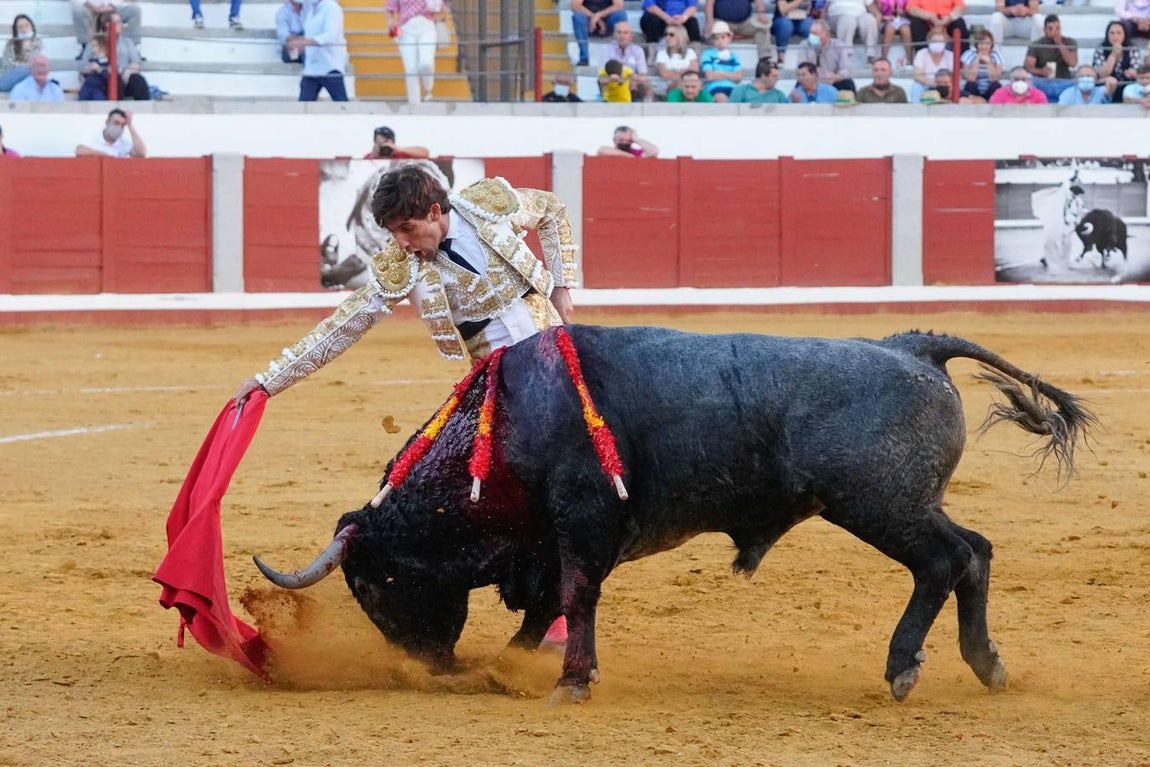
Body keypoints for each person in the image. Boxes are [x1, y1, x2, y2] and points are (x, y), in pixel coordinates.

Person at [231, 166, 578, 647]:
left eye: (407, 229)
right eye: (394, 232)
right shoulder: (403, 265)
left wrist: (563, 284)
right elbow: (344, 324)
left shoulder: (488, 206)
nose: (402, 242)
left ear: (436, 212)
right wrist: (270, 380)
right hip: (498, 385)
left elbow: (553, 211)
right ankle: (544, 610)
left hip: (561, 353)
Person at [289, 0, 349, 102]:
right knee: (304, 104)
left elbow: (330, 35)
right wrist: (299, 43)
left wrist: (305, 42)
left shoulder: (332, 8)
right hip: (312, 67)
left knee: (341, 103)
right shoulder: (311, 9)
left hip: (330, 65)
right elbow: (311, 34)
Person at [385, 0, 440, 103]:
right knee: (411, 70)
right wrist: (390, 20)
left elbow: (440, 7)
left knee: (426, 63)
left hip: (427, 26)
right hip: (406, 28)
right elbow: (390, 7)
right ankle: (414, 103)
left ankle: (428, 89)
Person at [1024, 14, 1077, 102]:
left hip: (1064, 82)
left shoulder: (1070, 42)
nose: (1054, 31)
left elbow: (1073, 63)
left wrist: (1060, 44)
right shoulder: (1036, 44)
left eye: (1057, 28)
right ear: (1044, 30)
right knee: (1029, 81)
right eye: (1050, 28)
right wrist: (1041, 71)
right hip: (1043, 82)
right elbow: (1028, 67)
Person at [799, 19, 856, 92]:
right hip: (812, 81)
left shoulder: (839, 45)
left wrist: (836, 76)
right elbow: (801, 67)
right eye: (811, 33)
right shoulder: (804, 45)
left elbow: (847, 69)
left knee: (848, 83)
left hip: (834, 81)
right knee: (800, 83)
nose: (812, 36)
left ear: (827, 34)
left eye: (816, 34)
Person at [704, 0, 772, 61]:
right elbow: (709, 3)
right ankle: (731, 39)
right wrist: (709, 20)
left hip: (744, 22)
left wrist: (761, 13)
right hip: (723, 23)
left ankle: (765, 59)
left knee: (763, 27)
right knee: (710, 33)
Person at [1093, 20, 1144, 100]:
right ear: (1107, 35)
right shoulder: (1101, 49)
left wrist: (1132, 73)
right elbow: (1102, 74)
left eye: (1119, 33)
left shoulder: (1132, 48)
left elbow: (1138, 72)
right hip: (1107, 85)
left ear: (1124, 34)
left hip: (1128, 84)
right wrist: (1113, 55)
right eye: (1112, 33)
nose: (1115, 36)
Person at [600, 21, 649, 100]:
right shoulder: (606, 49)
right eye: (619, 32)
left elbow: (643, 77)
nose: (622, 36)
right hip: (612, 85)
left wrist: (627, 79)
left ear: (631, 36)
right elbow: (601, 76)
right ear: (614, 35)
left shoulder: (638, 50)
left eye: (625, 33)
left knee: (644, 86)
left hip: (632, 87)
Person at [571, 0, 628, 66]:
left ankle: (620, 57)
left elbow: (619, 5)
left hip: (608, 22)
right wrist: (595, 18)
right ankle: (584, 58)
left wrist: (598, 15)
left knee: (621, 15)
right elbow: (575, 6)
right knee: (578, 17)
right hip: (588, 24)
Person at [700, 20, 744, 101]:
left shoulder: (734, 56)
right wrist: (730, 75)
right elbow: (709, 76)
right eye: (716, 38)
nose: (720, 41)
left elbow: (738, 77)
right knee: (721, 98)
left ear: (729, 38)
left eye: (723, 37)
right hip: (714, 88)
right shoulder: (707, 54)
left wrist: (719, 73)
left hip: (733, 88)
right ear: (713, 40)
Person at [75, 108, 147, 158]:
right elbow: (80, 151)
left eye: (122, 125)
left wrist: (130, 125)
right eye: (116, 123)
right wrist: (107, 156)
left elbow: (141, 153)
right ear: (107, 122)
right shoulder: (92, 137)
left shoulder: (124, 143)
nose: (119, 127)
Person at [73, 0, 141, 51]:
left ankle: (131, 49)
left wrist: (111, 6)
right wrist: (95, 8)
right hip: (90, 10)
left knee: (134, 10)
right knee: (78, 11)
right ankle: (86, 48)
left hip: (112, 9)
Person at [654, 24, 700, 96]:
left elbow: (694, 71)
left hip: (689, 85)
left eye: (671, 35)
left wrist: (674, 72)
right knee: (680, 85)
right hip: (667, 87)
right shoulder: (661, 53)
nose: (667, 37)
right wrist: (685, 72)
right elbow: (664, 74)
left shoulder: (690, 52)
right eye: (666, 34)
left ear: (680, 36)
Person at [959, 29, 1003, 102]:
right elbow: (970, 78)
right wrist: (977, 60)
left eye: (987, 43)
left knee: (996, 85)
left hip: (990, 88)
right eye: (981, 43)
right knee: (970, 84)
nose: (984, 46)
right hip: (974, 89)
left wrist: (988, 62)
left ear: (991, 44)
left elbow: (995, 78)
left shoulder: (996, 55)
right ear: (977, 44)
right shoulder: (969, 54)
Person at [1, 15, 41, 92]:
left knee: (31, 75)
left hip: (25, 82)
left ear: (32, 27)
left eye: (27, 25)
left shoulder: (37, 43)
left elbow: (37, 64)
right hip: (7, 80)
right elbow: (9, 66)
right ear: (16, 30)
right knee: (27, 70)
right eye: (20, 27)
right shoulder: (11, 44)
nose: (24, 29)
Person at [911, 27, 953, 97]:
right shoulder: (921, 53)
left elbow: (953, 76)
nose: (937, 44)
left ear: (945, 42)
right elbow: (917, 76)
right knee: (917, 86)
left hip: (945, 86)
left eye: (940, 42)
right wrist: (935, 84)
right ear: (928, 41)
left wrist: (943, 84)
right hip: (926, 85)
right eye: (934, 41)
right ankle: (916, 107)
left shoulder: (950, 55)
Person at [365, 126, 430, 159]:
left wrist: (398, 149)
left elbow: (425, 152)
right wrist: (374, 157)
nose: (384, 145)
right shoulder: (370, 156)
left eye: (386, 141)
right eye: (378, 142)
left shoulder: (400, 155)